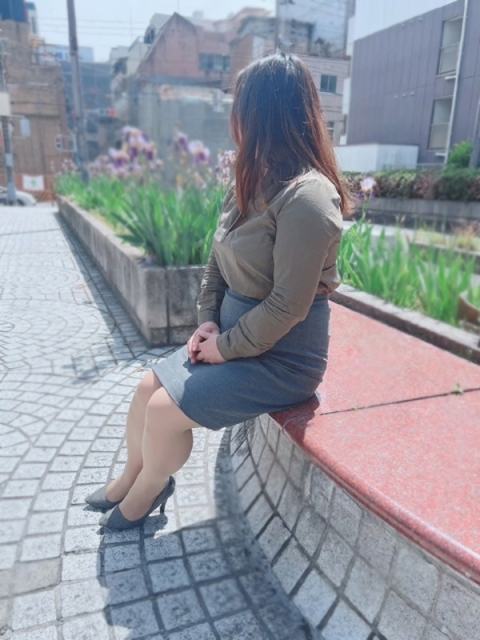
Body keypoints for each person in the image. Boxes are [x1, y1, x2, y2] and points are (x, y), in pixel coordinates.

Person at [86, 53, 352, 530]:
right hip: (233, 339)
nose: (234, 120)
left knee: (164, 411)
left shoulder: (308, 197)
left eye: (240, 107)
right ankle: (130, 478)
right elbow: (218, 259)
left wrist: (225, 347)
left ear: (263, 115)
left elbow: (289, 304)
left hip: (283, 359)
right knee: (147, 388)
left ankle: (149, 490)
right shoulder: (251, 180)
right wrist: (207, 320)